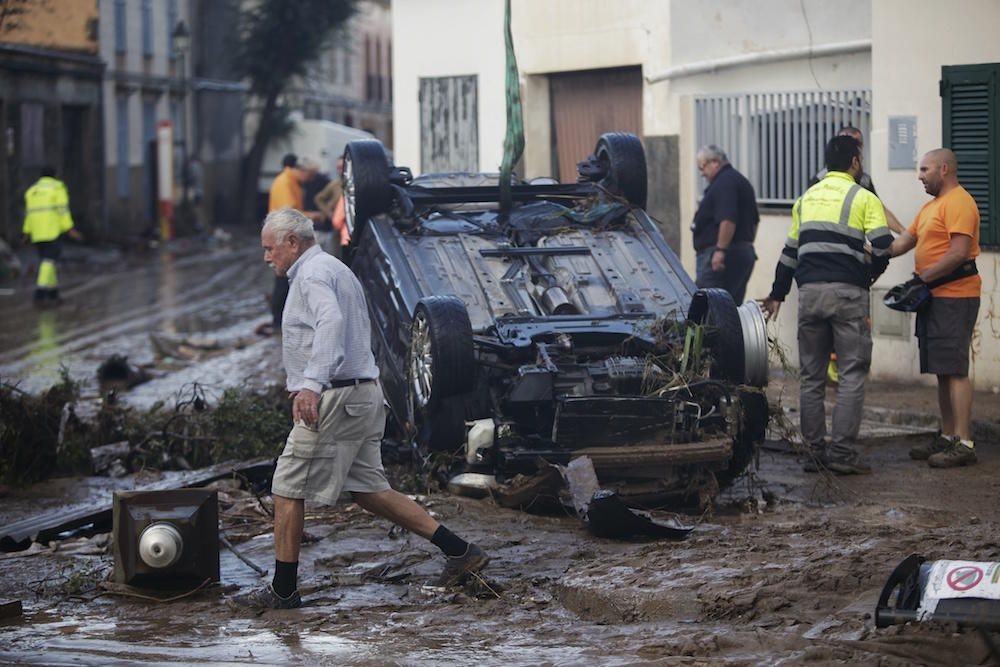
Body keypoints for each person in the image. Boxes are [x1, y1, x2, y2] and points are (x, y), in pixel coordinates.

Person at [233, 208, 489, 609]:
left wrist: (311, 386)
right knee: (370, 491)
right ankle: (460, 550)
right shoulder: (333, 269)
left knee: (286, 487)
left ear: (292, 243)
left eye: (270, 249)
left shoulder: (313, 276)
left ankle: (283, 590)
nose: (267, 257)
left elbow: (331, 323)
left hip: (336, 397)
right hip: (363, 394)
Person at [760, 136, 893, 475]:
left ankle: (814, 454)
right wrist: (870, 274)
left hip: (810, 295)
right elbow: (882, 246)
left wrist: (777, 294)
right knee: (850, 374)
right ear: (856, 162)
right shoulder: (864, 197)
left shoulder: (805, 200)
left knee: (811, 378)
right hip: (848, 294)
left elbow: (789, 254)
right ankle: (844, 455)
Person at [889, 148, 981, 468]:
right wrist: (872, 252)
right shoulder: (931, 208)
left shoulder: (960, 203)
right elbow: (904, 241)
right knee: (942, 370)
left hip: (955, 296)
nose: (919, 175)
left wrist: (921, 279)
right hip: (935, 296)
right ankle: (947, 435)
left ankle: (965, 442)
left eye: (925, 169)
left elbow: (958, 253)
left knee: (955, 369)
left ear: (944, 169)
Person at [692, 145, 759, 304]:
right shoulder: (740, 181)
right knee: (730, 309)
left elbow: (728, 219)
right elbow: (755, 222)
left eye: (702, 167)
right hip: (742, 252)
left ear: (714, 162)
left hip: (720, 258)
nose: (702, 174)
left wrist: (720, 251)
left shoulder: (724, 183)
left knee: (708, 309)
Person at [264, 154, 321, 333]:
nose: (311, 179)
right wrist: (312, 216)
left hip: (286, 236)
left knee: (285, 279)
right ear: (302, 171)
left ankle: (280, 320)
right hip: (282, 237)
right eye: (310, 175)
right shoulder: (285, 182)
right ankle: (277, 321)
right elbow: (289, 213)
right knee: (282, 278)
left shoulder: (291, 182)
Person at [808, 127, 904, 234]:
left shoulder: (864, 180)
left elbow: (880, 211)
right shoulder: (820, 179)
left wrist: (905, 234)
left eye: (855, 144)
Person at [22, 166, 82, 304]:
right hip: (51, 231)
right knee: (48, 261)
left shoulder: (32, 191)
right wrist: (70, 228)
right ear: (54, 175)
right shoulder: (57, 188)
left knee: (48, 262)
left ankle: (53, 293)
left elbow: (29, 214)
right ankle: (40, 293)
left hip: (37, 233)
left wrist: (26, 232)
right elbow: (63, 211)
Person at [314, 157, 345, 256]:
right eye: (338, 168)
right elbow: (319, 198)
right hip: (337, 227)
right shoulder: (335, 185)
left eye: (343, 167)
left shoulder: (357, 184)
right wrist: (328, 212)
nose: (340, 170)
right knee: (336, 254)